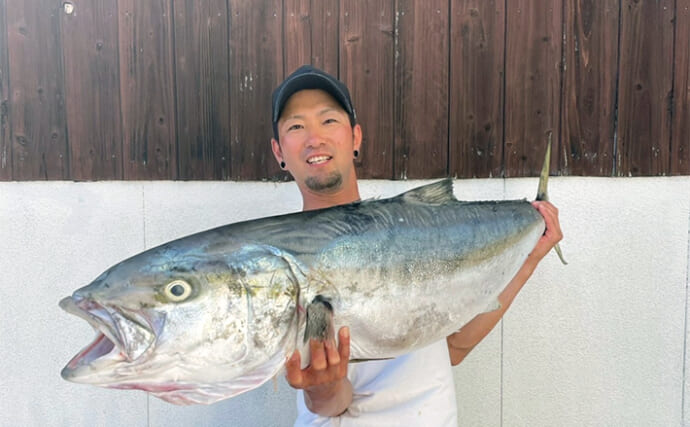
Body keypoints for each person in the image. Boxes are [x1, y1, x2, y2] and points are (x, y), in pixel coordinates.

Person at [269, 65, 563, 426]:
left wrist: (530, 257)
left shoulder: (413, 235)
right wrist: (322, 388)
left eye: (328, 121)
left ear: (356, 136)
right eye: (296, 126)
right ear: (278, 150)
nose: (314, 137)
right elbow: (334, 403)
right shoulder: (283, 264)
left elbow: (454, 346)